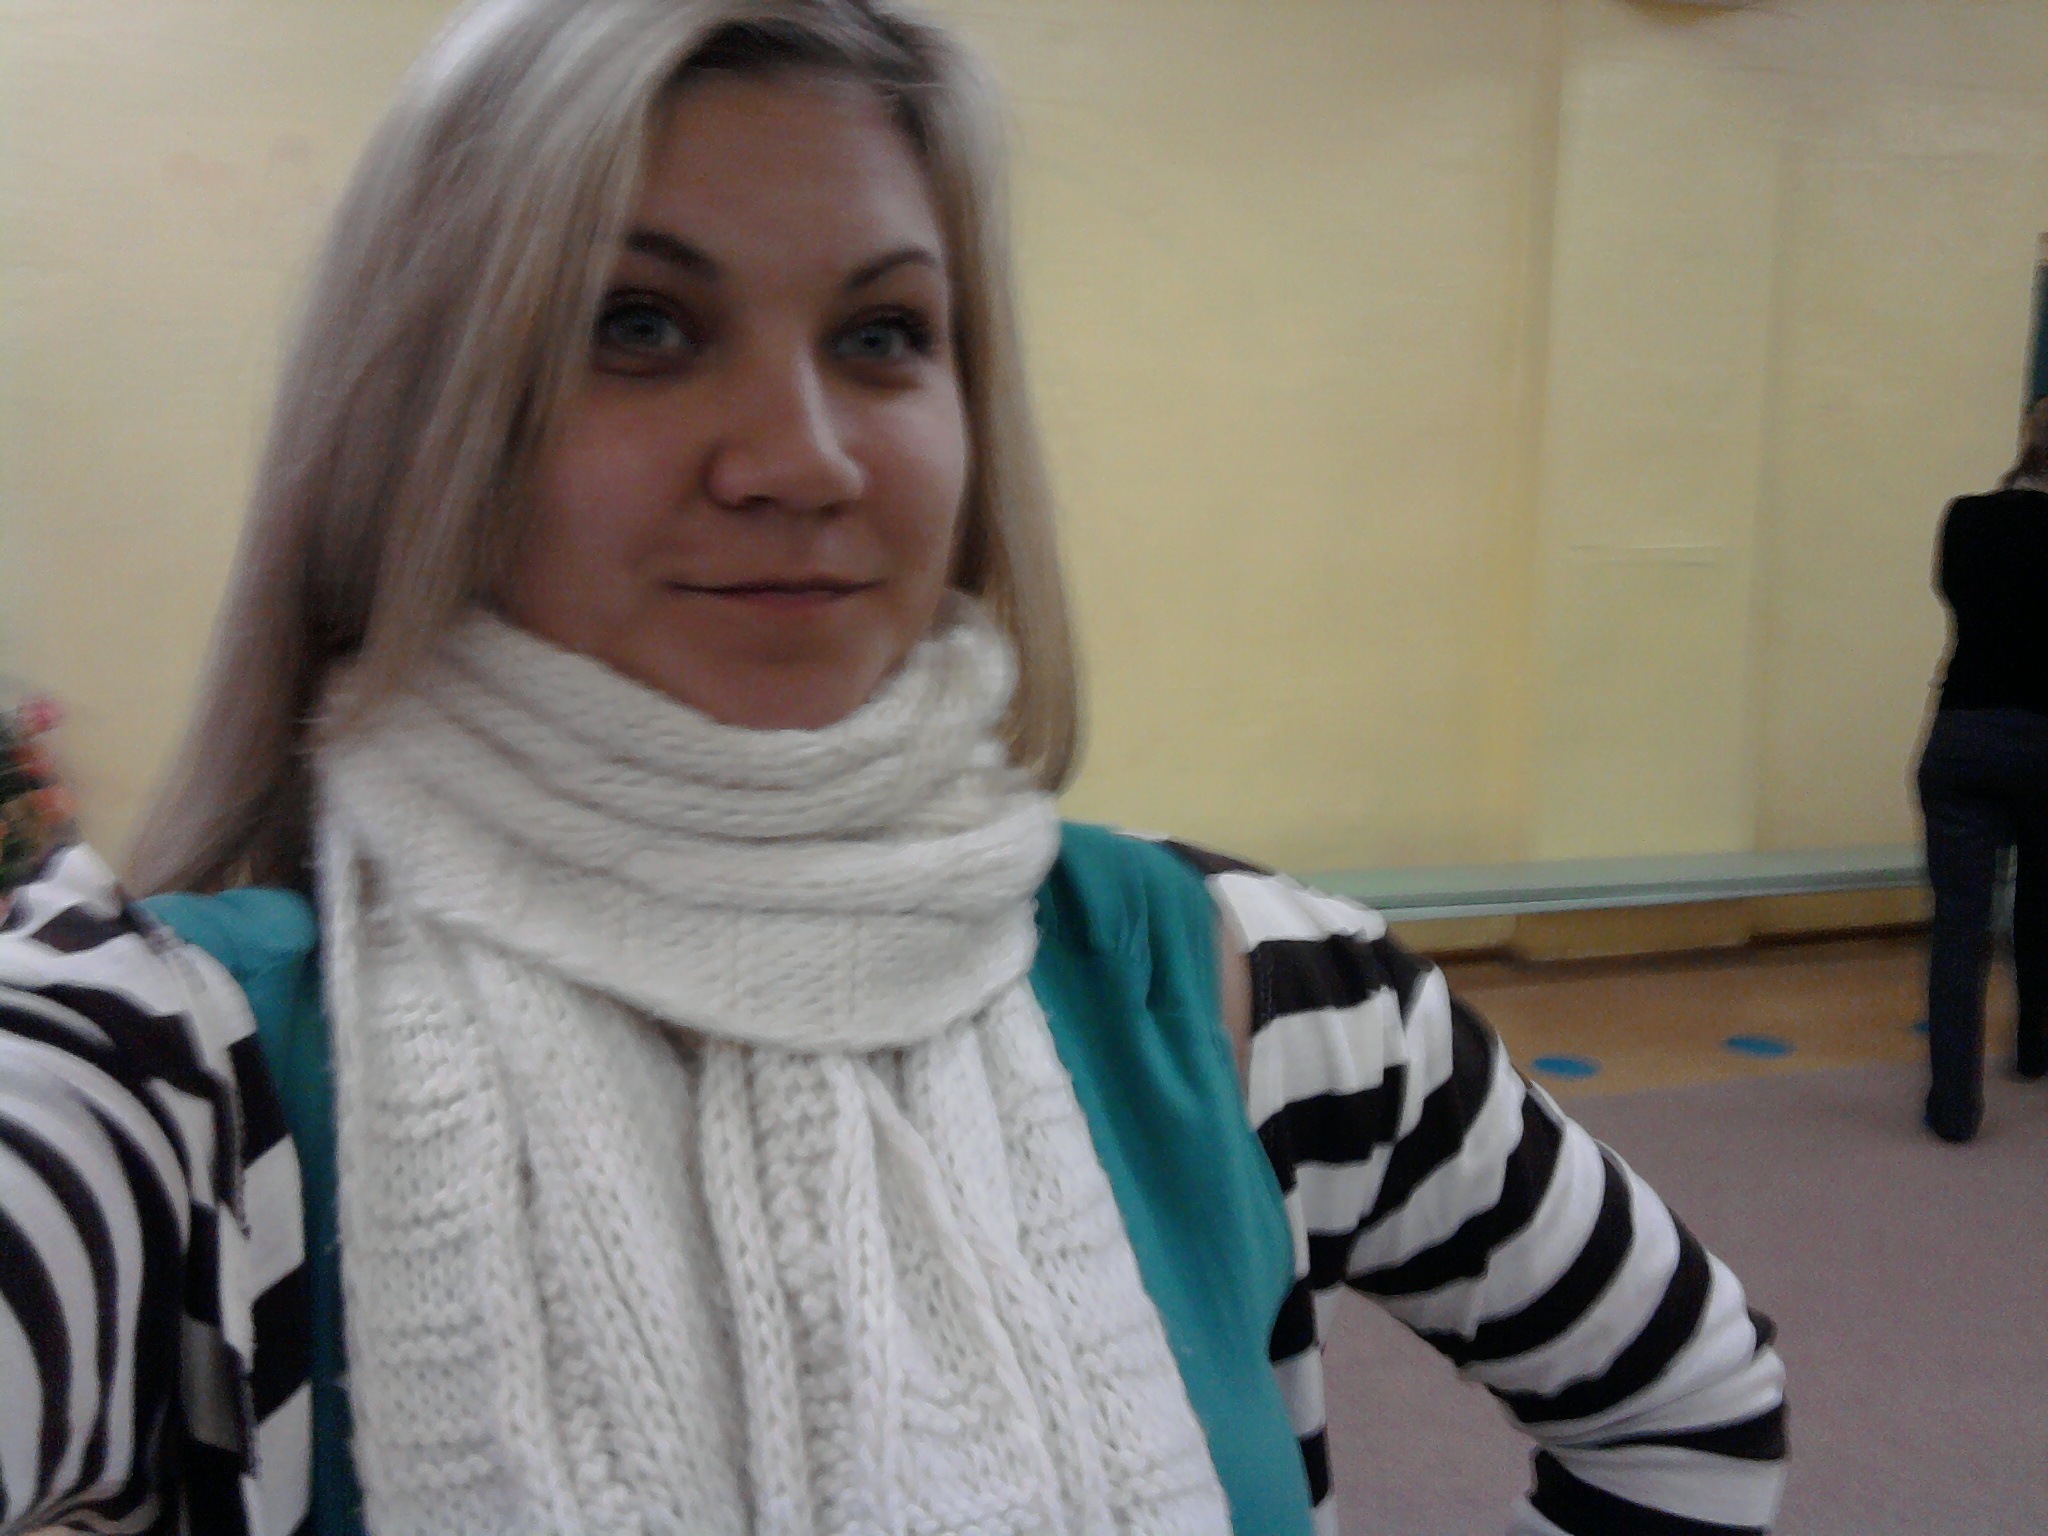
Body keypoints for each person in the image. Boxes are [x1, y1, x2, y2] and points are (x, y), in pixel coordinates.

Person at [0, 3, 1788, 1533]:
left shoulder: (1255, 991)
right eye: (639, 325)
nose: (801, 461)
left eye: (879, 337)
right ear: (426, 412)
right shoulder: (166, 1083)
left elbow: (1687, 1398)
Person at [1917, 397, 2048, 1142]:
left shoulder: (1966, 518)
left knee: (1960, 927)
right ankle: (2033, 1049)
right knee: (2041, 903)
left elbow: (1954, 594)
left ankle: (1954, 1109)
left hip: (1963, 733)